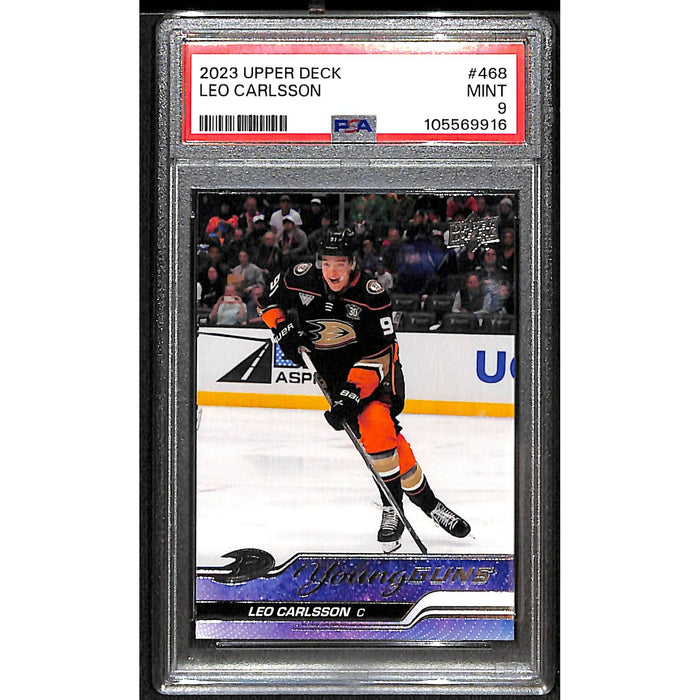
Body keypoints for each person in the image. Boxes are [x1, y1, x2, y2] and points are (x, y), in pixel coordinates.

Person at [259, 229, 470, 551]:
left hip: (375, 371)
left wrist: (352, 392)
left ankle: (392, 508)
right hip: (333, 373)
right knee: (385, 443)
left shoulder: (372, 295)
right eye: (327, 263)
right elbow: (267, 302)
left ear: (353, 264)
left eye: (340, 264)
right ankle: (430, 504)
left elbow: (382, 352)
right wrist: (283, 327)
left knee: (375, 425)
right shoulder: (299, 278)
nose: (332, 271)